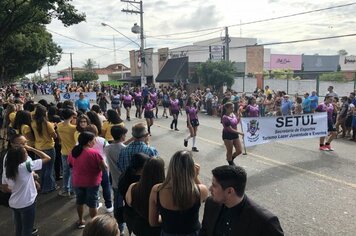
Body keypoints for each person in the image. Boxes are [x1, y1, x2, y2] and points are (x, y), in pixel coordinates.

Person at [199, 165, 284, 236]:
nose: (210, 188)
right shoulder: (211, 203)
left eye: (214, 185)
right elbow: (204, 232)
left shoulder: (264, 221)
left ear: (229, 191)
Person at [149, 151, 209, 235]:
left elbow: (153, 222)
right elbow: (204, 198)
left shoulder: (157, 190)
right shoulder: (201, 190)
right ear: (192, 168)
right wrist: (195, 177)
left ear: (171, 167)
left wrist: (168, 220)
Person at [3, 142, 51, 236]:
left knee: (19, 228)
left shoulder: (8, 169)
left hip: (14, 203)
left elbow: (5, 187)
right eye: (25, 153)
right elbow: (47, 158)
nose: (27, 153)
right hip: (27, 203)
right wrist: (31, 148)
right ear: (20, 157)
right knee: (27, 229)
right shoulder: (26, 166)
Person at [68, 132, 107, 229]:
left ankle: (80, 220)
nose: (95, 142)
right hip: (92, 182)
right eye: (94, 140)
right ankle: (95, 224)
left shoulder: (73, 151)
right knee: (92, 203)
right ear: (89, 142)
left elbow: (70, 165)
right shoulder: (94, 153)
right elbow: (104, 168)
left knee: (79, 201)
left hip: (77, 181)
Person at [125, 157, 165, 236]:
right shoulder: (164, 192)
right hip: (157, 231)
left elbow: (129, 203)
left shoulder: (133, 187)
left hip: (138, 229)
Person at [105, 125, 129, 232]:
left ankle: (120, 228)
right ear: (122, 136)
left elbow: (118, 145)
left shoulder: (107, 148)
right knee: (128, 204)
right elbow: (122, 147)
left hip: (115, 181)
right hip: (126, 182)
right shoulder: (125, 149)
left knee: (117, 204)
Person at [84, 125, 113, 213]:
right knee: (106, 186)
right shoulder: (102, 140)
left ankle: (95, 204)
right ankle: (109, 206)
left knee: (93, 188)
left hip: (89, 168)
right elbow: (108, 150)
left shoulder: (82, 141)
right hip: (102, 166)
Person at [31, 104, 57, 194]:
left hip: (38, 148)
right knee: (49, 169)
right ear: (44, 113)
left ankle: (41, 186)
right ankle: (49, 187)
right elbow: (54, 136)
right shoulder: (47, 124)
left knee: (41, 169)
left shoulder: (33, 123)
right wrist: (53, 127)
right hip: (48, 148)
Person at [56, 109, 77, 197]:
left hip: (64, 152)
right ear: (72, 116)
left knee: (65, 171)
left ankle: (65, 189)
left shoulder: (59, 125)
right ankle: (73, 191)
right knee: (73, 172)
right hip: (73, 153)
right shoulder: (74, 128)